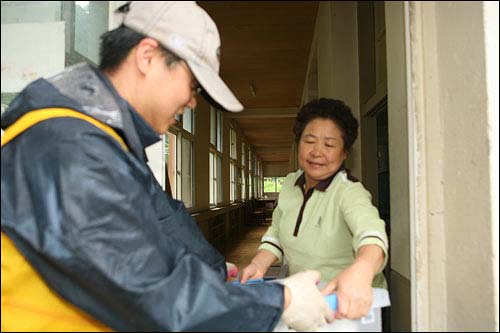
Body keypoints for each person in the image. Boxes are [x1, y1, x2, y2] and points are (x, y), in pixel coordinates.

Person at [0, 2, 333, 331]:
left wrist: (217, 274)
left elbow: (165, 220)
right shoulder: (68, 143)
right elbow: (143, 290)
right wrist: (280, 300)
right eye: (192, 85)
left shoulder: (108, 141)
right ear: (147, 57)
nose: (191, 101)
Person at [241, 98, 389, 320]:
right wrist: (258, 264)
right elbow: (277, 234)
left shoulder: (349, 192)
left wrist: (362, 270)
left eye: (329, 145)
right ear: (298, 143)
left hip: (348, 305)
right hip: (306, 301)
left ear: (345, 153)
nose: (317, 152)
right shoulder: (291, 184)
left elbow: (372, 236)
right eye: (309, 141)